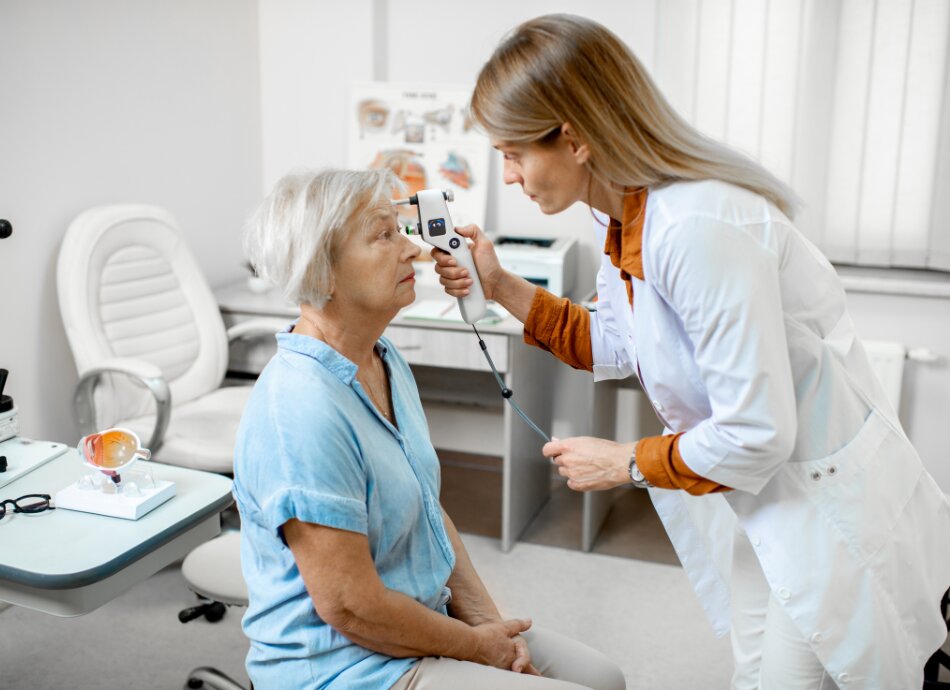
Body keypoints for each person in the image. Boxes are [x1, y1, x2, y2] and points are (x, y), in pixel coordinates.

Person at [431, 14, 950, 690]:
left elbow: (758, 434)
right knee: (753, 669)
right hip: (763, 496)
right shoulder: (619, 210)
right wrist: (498, 285)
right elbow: (615, 342)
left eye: (514, 153)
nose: (509, 177)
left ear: (576, 138)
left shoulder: (696, 229)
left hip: (820, 504)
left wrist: (623, 462)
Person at [233, 168, 626, 690]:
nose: (412, 250)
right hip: (346, 669)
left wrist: (492, 632)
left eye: (402, 229)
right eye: (383, 234)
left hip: (421, 623)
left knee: (603, 679)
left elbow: (426, 508)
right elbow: (352, 608)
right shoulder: (300, 408)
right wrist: (474, 646)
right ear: (320, 272)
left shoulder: (383, 358)